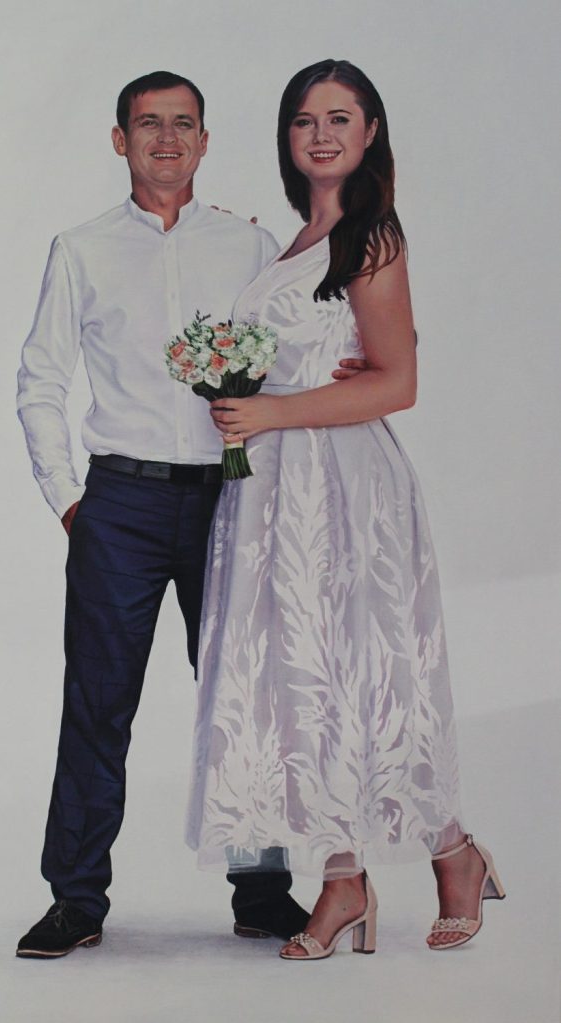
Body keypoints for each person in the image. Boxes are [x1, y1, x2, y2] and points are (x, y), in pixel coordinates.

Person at [15, 70, 364, 959]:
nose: (166, 139)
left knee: (248, 697)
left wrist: (357, 372)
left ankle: (262, 890)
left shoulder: (250, 247)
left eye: (183, 124)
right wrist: (69, 499)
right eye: (148, 123)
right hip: (120, 502)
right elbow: (41, 380)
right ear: (120, 139)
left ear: (205, 141)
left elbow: (296, 348)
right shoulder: (81, 249)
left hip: (232, 495)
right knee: (98, 703)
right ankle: (76, 898)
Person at [186, 59, 505, 960]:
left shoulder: (373, 235)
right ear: (286, 138)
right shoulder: (293, 241)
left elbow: (399, 382)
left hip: (344, 490)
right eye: (304, 120)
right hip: (276, 495)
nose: (320, 134)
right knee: (301, 682)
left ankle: (452, 853)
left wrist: (272, 412)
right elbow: (327, 347)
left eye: (339, 117)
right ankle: (342, 876)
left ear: (370, 133)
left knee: (369, 676)